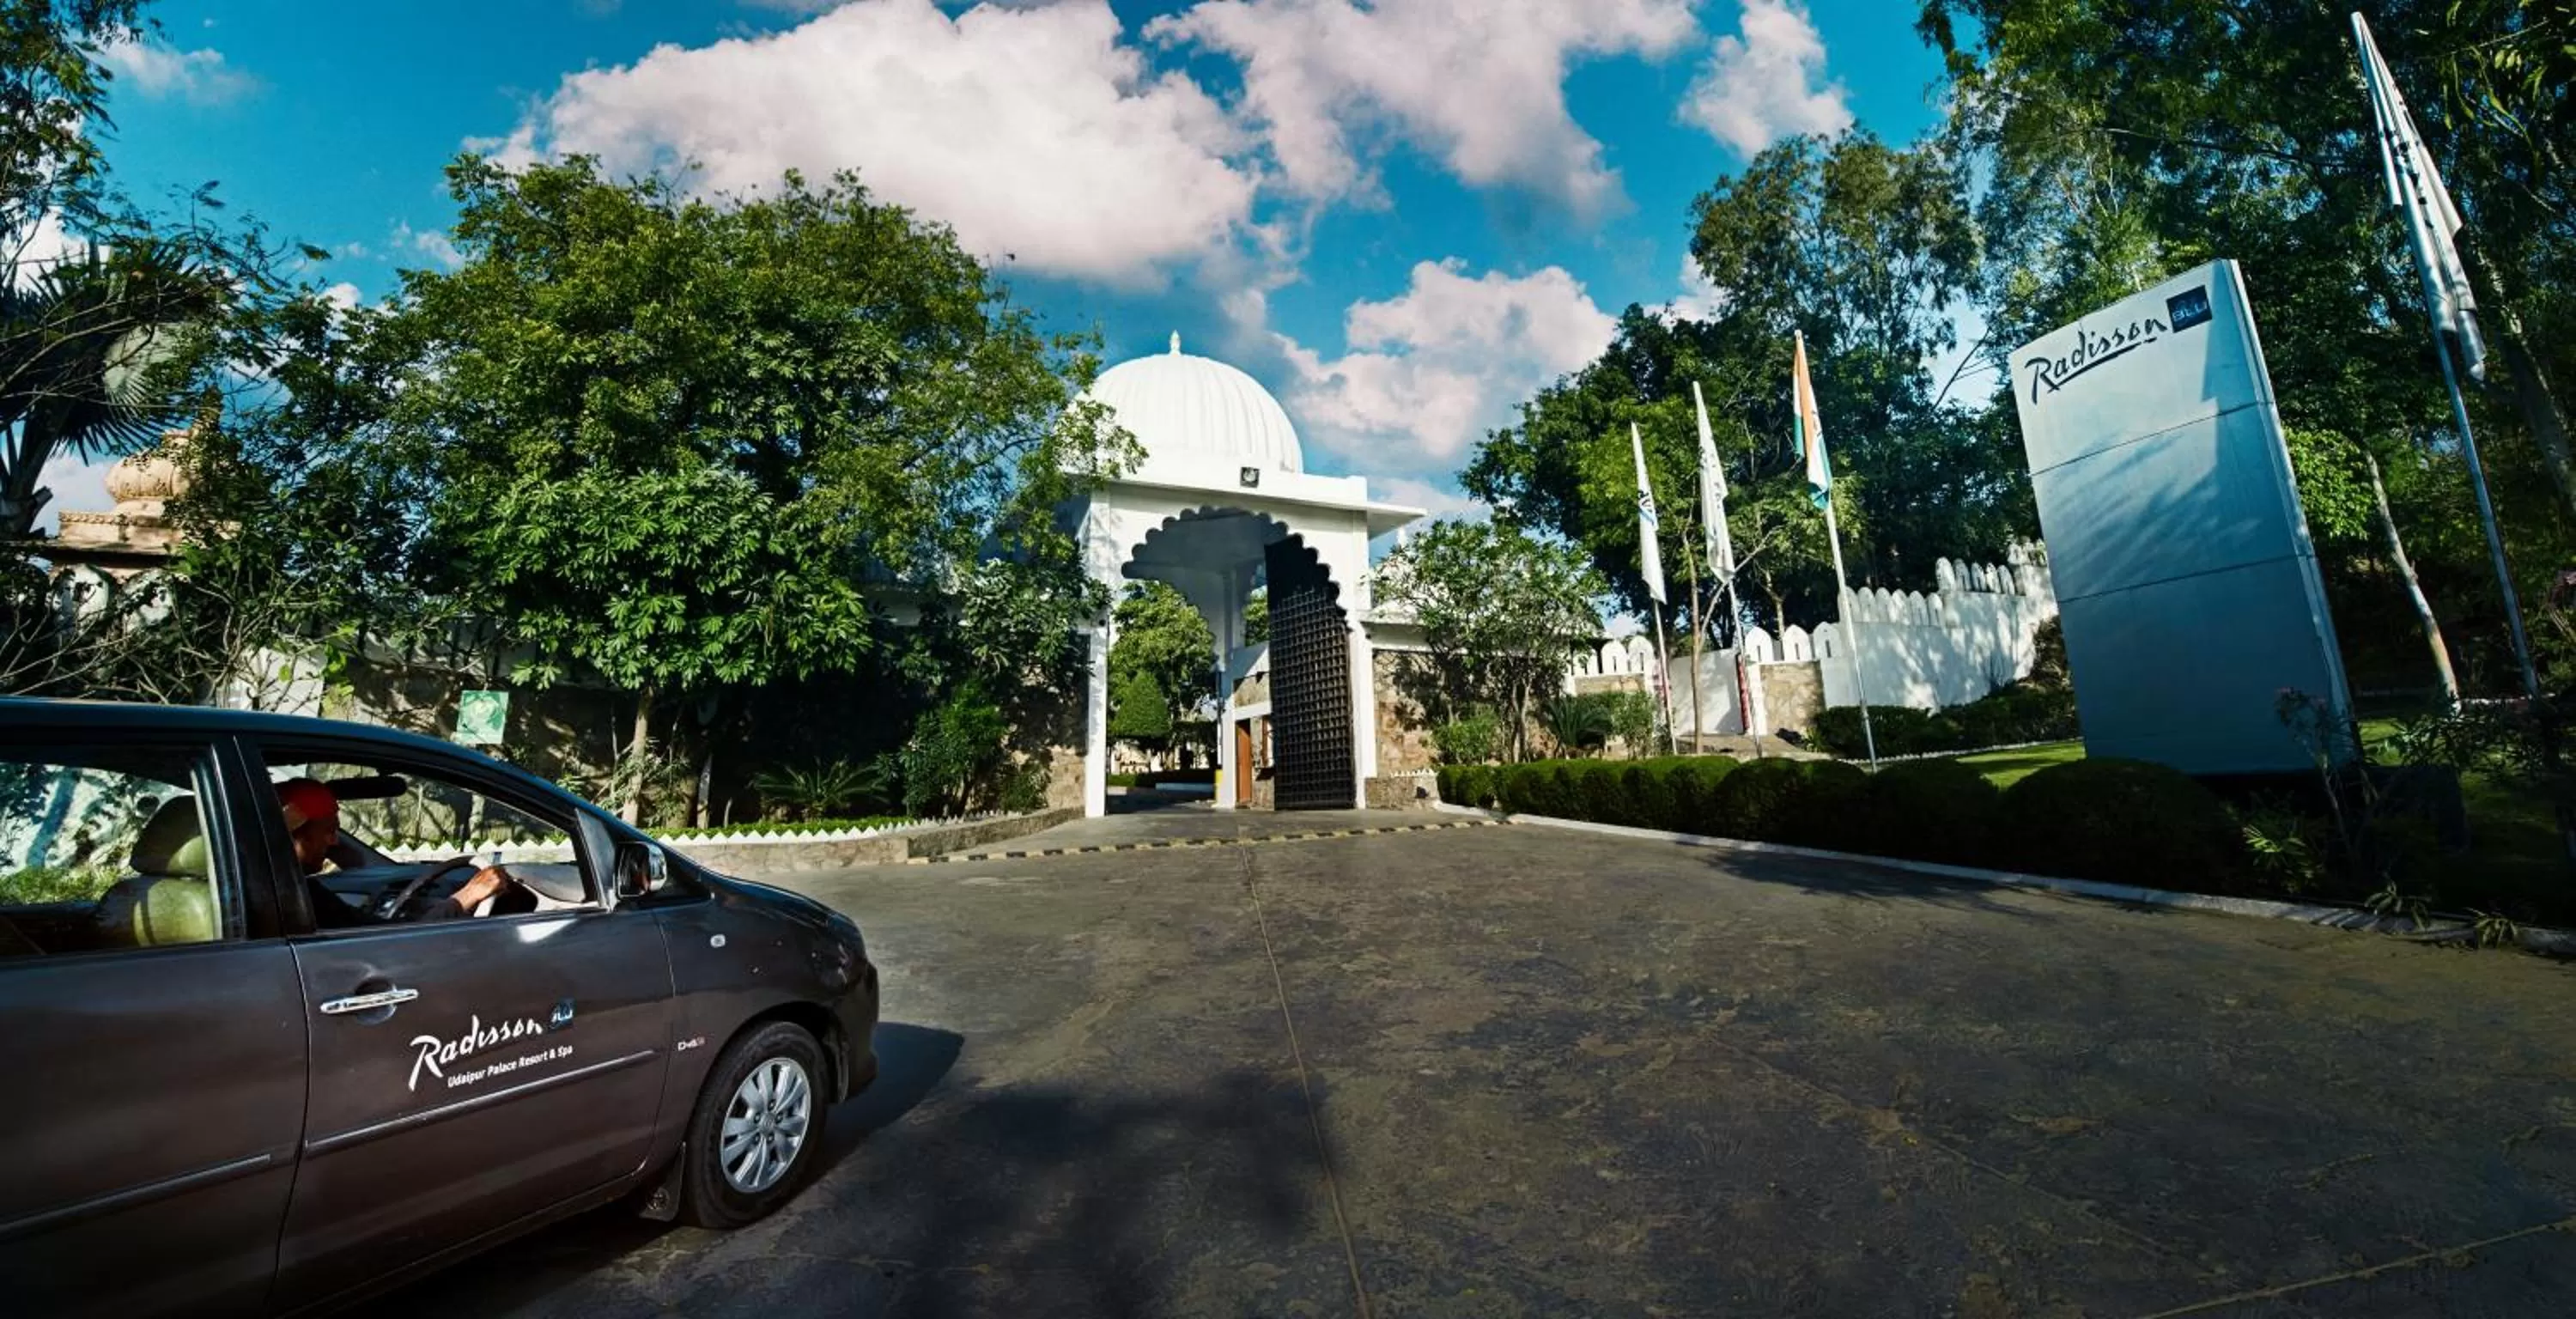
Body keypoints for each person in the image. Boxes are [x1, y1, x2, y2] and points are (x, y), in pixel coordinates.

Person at [276, 778, 514, 927]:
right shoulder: (296, 898)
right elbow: (388, 942)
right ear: (291, 834)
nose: (335, 840)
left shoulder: (284, 891)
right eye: (328, 830)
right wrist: (466, 897)